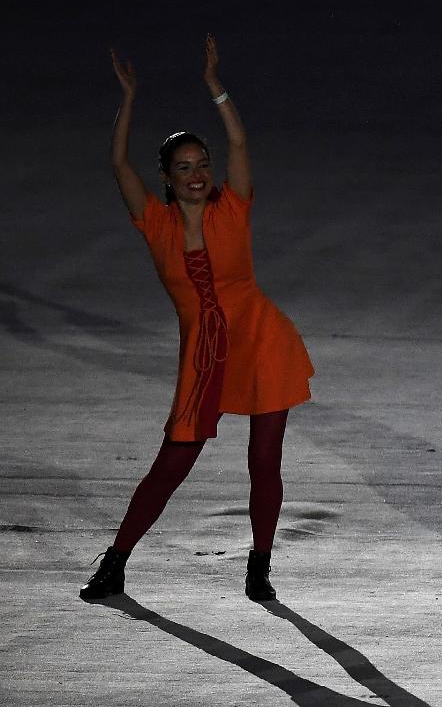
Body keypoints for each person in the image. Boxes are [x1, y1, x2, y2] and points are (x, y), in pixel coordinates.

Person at [81, 36, 314, 604]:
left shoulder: (233, 206)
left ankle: (260, 564)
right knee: (174, 460)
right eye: (184, 167)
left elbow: (238, 138)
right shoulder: (154, 223)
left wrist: (215, 85)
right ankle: (116, 562)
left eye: (202, 165)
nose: (197, 174)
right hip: (203, 354)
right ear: (166, 176)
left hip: (261, 341)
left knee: (264, 462)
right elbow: (116, 161)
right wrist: (129, 97)